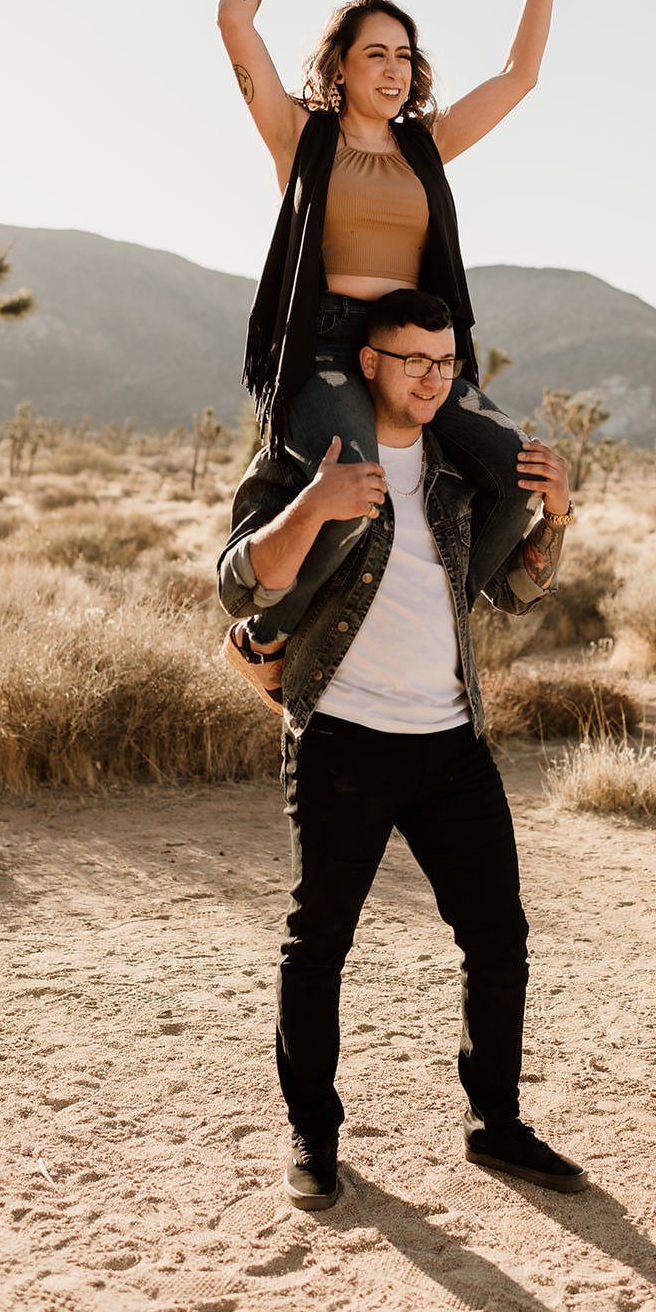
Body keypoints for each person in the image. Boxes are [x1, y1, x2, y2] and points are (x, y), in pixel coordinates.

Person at [217, 288, 586, 1209]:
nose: (429, 378)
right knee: (319, 945)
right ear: (369, 363)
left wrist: (558, 517)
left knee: (498, 939)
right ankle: (312, 1137)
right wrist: (313, 503)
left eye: (444, 363)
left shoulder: (459, 475)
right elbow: (236, 583)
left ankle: (493, 1125)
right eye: (411, 359)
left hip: (452, 742)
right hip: (346, 738)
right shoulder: (306, 458)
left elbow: (513, 592)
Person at [216, 0, 588, 710]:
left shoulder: (429, 145)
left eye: (404, 56)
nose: (392, 68)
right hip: (326, 349)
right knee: (350, 497)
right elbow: (235, 19)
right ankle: (262, 636)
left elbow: (520, 77)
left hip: (418, 352)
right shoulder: (298, 137)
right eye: (374, 52)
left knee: (519, 475)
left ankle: (439, 611)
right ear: (339, 63)